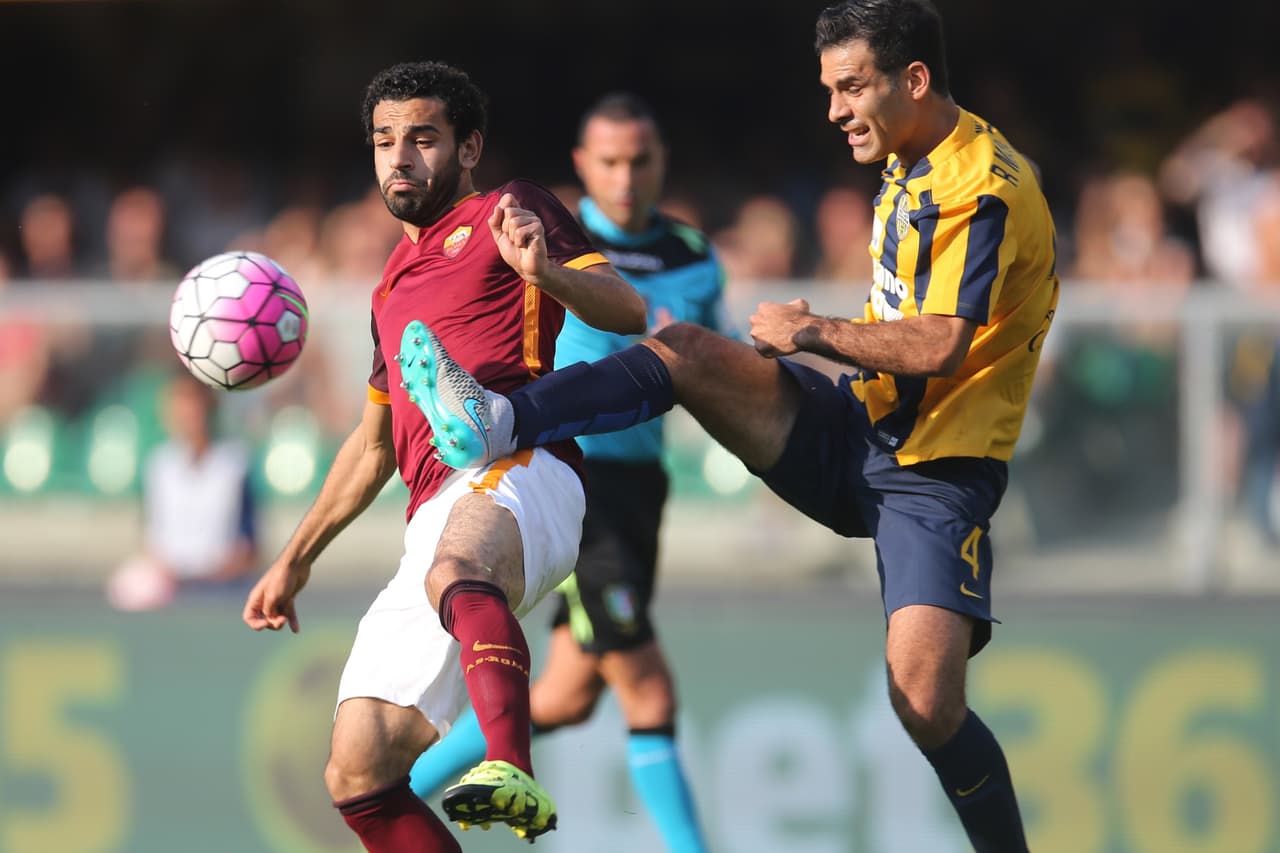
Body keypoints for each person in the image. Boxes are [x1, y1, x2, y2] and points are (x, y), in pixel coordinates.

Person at [403, 2, 1058, 850]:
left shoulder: (983, 188)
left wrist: (810, 330)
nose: (835, 110)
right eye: (829, 89)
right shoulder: (914, 155)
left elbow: (939, 343)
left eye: (851, 88)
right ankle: (501, 421)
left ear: (916, 80)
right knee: (683, 349)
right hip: (852, 427)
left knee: (925, 702)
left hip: (935, 469)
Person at [240, 60, 645, 851]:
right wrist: (295, 557)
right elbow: (374, 445)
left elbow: (627, 308)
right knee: (357, 771)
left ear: (468, 148)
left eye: (423, 138)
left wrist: (547, 273)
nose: (400, 157)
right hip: (434, 508)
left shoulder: (509, 208)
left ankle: (509, 766)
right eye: (385, 141)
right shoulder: (389, 287)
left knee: (458, 566)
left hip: (526, 467)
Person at [407, 93, 723, 853]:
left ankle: (400, 787)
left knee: (565, 693)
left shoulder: (693, 256)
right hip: (578, 484)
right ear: (583, 166)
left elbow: (708, 362)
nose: (625, 175)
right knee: (647, 685)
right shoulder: (550, 242)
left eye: (639, 159)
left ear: (660, 162)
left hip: (643, 487)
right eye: (608, 160)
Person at [107, 372, 258, 611]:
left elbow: (249, 548)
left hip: (222, 585)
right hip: (168, 582)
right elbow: (149, 537)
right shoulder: (158, 465)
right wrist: (169, 572)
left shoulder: (235, 464)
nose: (186, 416)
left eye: (192, 406)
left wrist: (208, 574)